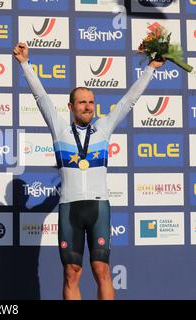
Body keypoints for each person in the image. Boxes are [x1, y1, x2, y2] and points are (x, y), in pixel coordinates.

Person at [13, 42, 165, 300]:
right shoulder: (60, 128)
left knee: (101, 270)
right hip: (70, 207)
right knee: (72, 272)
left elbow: (129, 101)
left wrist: (151, 68)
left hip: (98, 208)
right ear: (70, 107)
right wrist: (25, 63)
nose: (87, 106)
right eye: (82, 102)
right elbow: (40, 96)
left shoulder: (103, 129)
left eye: (91, 102)